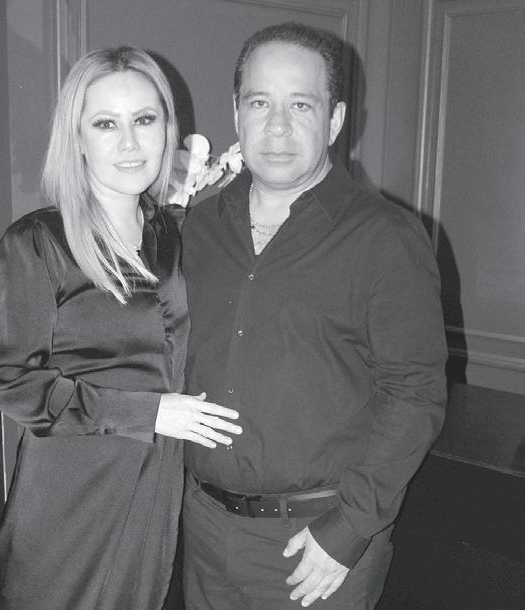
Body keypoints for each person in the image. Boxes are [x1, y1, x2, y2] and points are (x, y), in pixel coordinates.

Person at [181, 22, 448, 609]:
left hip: (315, 545)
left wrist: (349, 529)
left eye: (301, 104)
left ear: (335, 120)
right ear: (236, 112)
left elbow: (416, 393)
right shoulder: (199, 228)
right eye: (260, 103)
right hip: (202, 528)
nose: (277, 126)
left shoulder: (385, 238)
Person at [0, 46, 241, 610]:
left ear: (168, 129)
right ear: (77, 138)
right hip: (73, 488)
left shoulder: (171, 234)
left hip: (158, 483)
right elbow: (12, 381)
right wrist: (148, 412)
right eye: (105, 124)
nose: (129, 143)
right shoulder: (37, 243)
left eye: (144, 120)